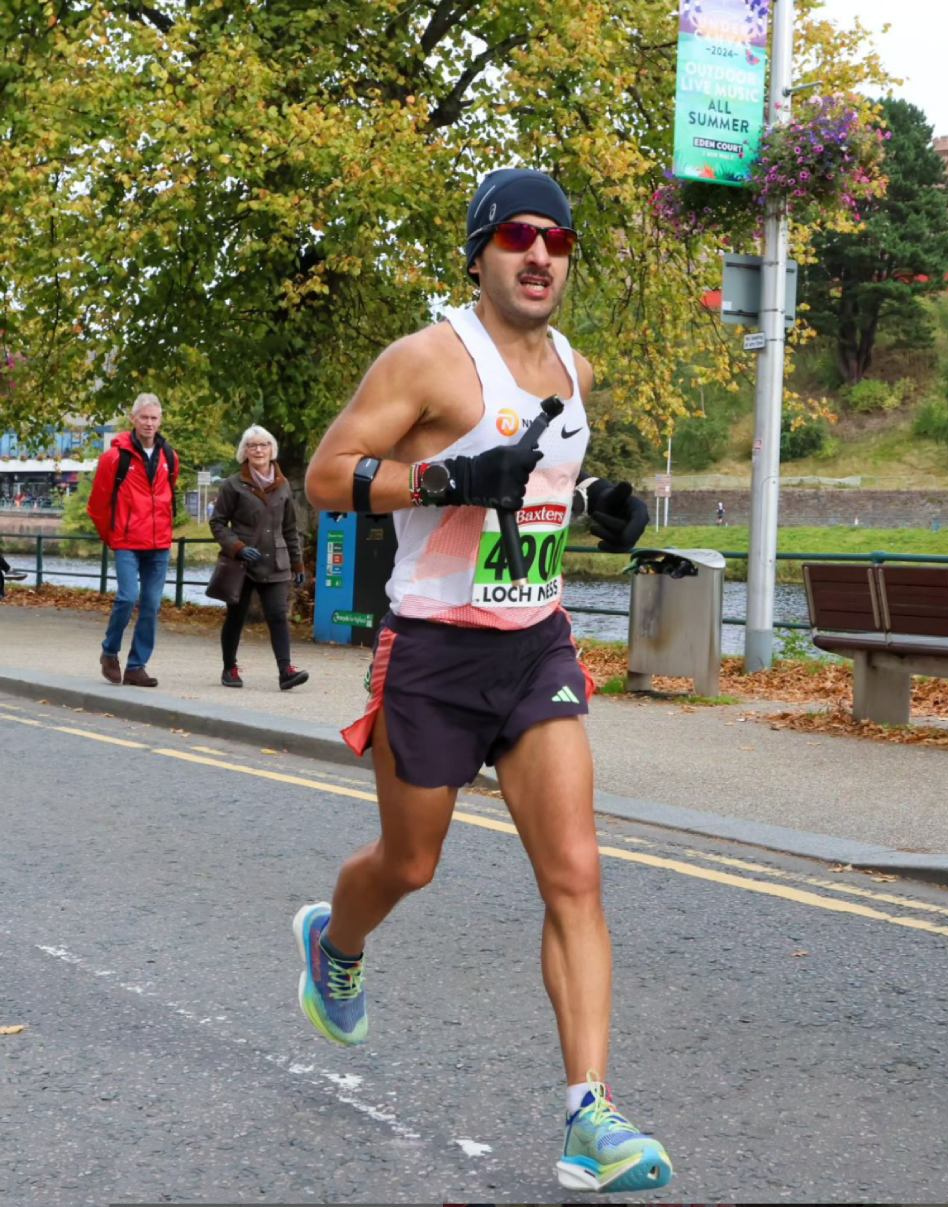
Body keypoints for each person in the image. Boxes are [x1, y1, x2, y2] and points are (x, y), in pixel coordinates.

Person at [298, 167, 667, 1195]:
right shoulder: (427, 360)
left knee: (577, 874)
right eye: (517, 236)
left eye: (557, 239)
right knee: (409, 866)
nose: (540, 254)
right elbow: (328, 474)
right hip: (432, 650)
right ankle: (336, 938)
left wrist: (600, 502)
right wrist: (444, 479)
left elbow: (543, 466)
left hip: (534, 644)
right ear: (479, 253)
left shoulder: (572, 367)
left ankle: (590, 1115)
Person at [87, 392, 180, 687]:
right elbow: (98, 504)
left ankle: (136, 666)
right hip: (126, 540)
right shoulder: (115, 457)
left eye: (154, 418)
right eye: (144, 418)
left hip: (158, 544)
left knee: (151, 604)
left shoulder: (169, 456)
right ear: (133, 419)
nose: (149, 423)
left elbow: (167, 495)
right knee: (127, 597)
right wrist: (112, 537)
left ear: (160, 420)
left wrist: (166, 531)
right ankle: (109, 652)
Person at [208, 425, 309, 691]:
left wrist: (297, 562)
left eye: (263, 445)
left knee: (277, 615)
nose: (258, 450)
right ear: (245, 452)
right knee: (236, 617)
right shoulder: (232, 485)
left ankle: (285, 670)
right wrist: (238, 547)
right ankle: (229, 667)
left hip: (275, 561)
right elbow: (218, 522)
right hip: (242, 564)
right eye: (252, 446)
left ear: (271, 449)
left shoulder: (283, 485)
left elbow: (289, 527)